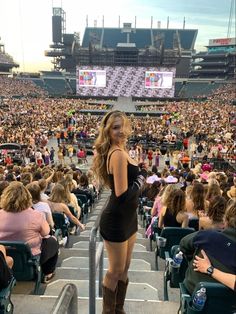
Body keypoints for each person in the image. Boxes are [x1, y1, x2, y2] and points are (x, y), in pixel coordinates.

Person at [93, 111, 147, 314]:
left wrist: (139, 171)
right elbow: (123, 194)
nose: (121, 131)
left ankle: (119, 308)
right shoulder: (116, 154)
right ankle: (108, 312)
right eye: (115, 127)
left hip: (129, 219)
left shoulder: (122, 151)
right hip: (116, 220)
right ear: (108, 131)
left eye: (123, 126)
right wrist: (142, 177)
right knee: (115, 271)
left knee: (124, 269)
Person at [0, 182, 59, 283]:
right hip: (30, 256)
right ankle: (48, 273)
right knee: (52, 241)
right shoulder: (35, 215)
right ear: (27, 197)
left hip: (4, 256)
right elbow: (46, 232)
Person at [180, 200, 236, 295]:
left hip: (194, 301)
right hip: (230, 307)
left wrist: (207, 268)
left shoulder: (206, 236)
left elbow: (183, 244)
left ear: (226, 220)